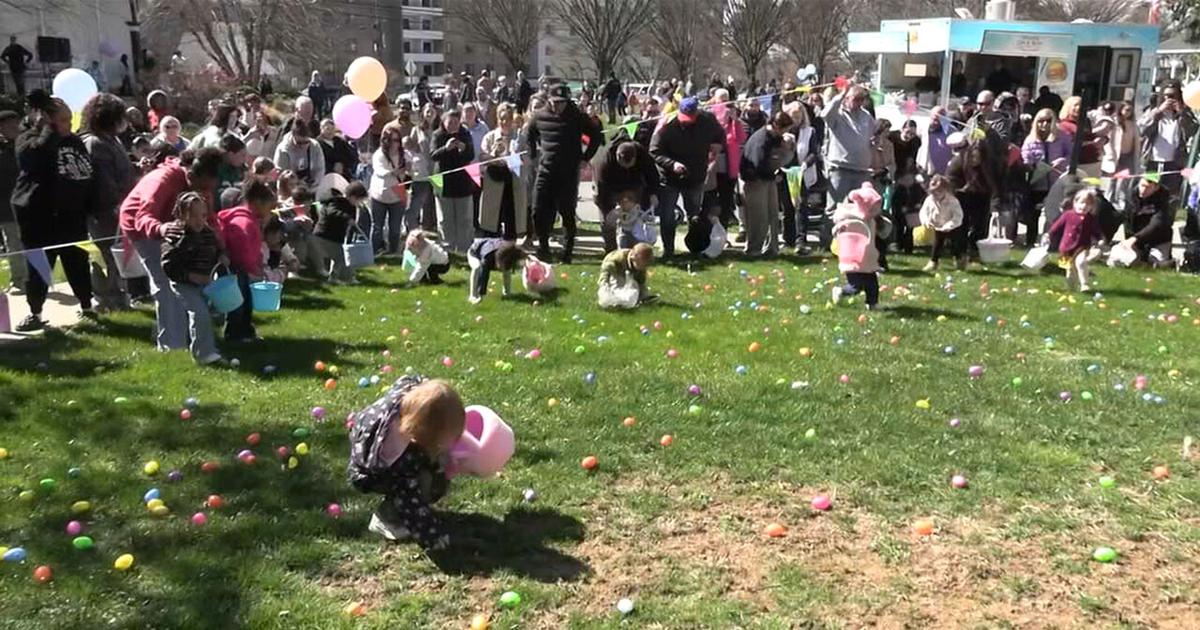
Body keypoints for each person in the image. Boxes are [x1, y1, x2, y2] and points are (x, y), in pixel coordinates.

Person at [119, 147, 224, 351]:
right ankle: (171, 346)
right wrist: (161, 228)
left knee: (187, 279)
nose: (205, 193)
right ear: (191, 175)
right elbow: (143, 217)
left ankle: (177, 330)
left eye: (209, 189)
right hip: (142, 227)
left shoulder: (203, 185)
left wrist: (219, 243)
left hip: (176, 226)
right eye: (202, 187)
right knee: (166, 282)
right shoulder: (161, 181)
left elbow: (209, 217)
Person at [11, 90, 98, 331]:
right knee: (39, 269)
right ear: (46, 120)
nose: (69, 125)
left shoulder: (75, 141)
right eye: (62, 120)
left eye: (70, 120)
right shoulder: (27, 139)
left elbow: (85, 172)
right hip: (39, 219)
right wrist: (49, 131)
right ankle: (35, 313)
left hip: (71, 217)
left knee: (77, 264)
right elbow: (36, 157)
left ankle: (87, 306)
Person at [348, 375, 465, 549]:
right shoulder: (399, 455)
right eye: (442, 440)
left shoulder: (409, 395)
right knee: (420, 484)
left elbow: (412, 380)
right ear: (425, 435)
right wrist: (431, 537)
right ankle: (388, 517)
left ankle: (395, 507)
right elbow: (409, 497)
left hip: (370, 446)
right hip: (369, 474)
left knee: (429, 471)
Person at [525, 84, 603, 263]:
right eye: (556, 102)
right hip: (545, 170)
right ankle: (543, 247)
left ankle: (567, 252)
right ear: (549, 100)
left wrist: (585, 157)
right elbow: (529, 133)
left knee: (567, 212)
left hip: (568, 172)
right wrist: (533, 154)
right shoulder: (540, 116)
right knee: (538, 210)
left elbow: (596, 136)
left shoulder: (577, 117)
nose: (559, 106)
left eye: (562, 102)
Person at [649, 96, 725, 259]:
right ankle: (668, 249)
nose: (688, 121)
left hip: (696, 175)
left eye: (691, 118)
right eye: (685, 118)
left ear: (697, 112)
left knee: (694, 216)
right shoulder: (667, 124)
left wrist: (718, 143)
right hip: (670, 177)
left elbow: (720, 134)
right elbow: (655, 150)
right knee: (668, 215)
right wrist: (672, 164)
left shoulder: (708, 120)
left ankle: (695, 248)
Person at [81, 93, 138, 312]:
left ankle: (119, 295)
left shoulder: (110, 139)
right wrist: (118, 205)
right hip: (105, 210)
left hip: (121, 206)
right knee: (105, 254)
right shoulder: (95, 143)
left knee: (118, 255)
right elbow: (103, 181)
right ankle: (105, 298)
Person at [159, 192, 224, 365]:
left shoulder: (207, 233)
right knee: (199, 314)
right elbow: (168, 266)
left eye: (202, 215)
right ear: (181, 215)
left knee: (210, 314)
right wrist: (191, 276)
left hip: (205, 281)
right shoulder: (176, 237)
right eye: (193, 216)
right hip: (184, 283)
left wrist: (223, 256)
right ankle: (203, 354)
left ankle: (208, 346)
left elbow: (216, 249)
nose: (199, 220)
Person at [217, 180, 276, 342]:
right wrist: (253, 268)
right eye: (268, 207)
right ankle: (235, 334)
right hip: (236, 269)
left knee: (245, 301)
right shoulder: (246, 223)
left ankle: (246, 331)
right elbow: (242, 250)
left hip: (239, 269)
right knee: (238, 304)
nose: (269, 212)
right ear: (257, 202)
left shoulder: (248, 219)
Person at [740, 111, 795, 258]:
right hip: (755, 181)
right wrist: (772, 175)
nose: (786, 133)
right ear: (776, 125)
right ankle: (753, 249)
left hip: (768, 180)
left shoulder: (774, 137)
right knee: (759, 217)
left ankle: (772, 248)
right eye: (785, 129)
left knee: (772, 214)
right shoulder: (761, 139)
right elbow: (757, 165)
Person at [594, 137, 659, 252]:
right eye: (624, 165)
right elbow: (601, 191)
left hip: (633, 185)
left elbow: (652, 175)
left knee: (634, 218)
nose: (627, 167)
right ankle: (611, 251)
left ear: (635, 157)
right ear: (618, 156)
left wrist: (653, 193)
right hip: (610, 187)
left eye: (630, 164)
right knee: (608, 222)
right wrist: (608, 210)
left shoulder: (642, 154)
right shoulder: (604, 161)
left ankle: (634, 250)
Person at [1021, 108, 1072, 248]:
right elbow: (1025, 159)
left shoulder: (1063, 137)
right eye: (1041, 121)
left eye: (1048, 121)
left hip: (1056, 182)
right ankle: (1030, 242)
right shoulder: (1031, 140)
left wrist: (1062, 161)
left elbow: (1071, 155)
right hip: (1037, 182)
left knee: (1054, 214)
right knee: (1033, 215)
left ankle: (1052, 243)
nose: (1044, 124)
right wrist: (1031, 164)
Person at [830, 182, 884, 310]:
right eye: (873, 209)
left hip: (868, 259)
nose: (876, 212)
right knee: (856, 286)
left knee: (872, 284)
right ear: (865, 207)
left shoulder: (871, 219)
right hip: (853, 259)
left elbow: (880, 231)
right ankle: (841, 291)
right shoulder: (851, 220)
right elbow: (838, 230)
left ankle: (872, 303)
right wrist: (840, 229)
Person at [1138, 83, 1198, 198]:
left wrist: (1182, 113)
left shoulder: (1184, 115)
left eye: (1173, 96)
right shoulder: (1153, 112)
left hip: (1174, 164)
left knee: (1170, 196)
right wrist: (1158, 111)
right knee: (1150, 194)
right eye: (1166, 95)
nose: (1169, 99)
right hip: (1152, 163)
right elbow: (1141, 128)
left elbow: (1192, 131)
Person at [478, 103, 527, 239]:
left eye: (508, 119)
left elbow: (526, 158)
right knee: (492, 218)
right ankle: (491, 247)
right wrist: (494, 155)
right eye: (501, 119)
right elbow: (482, 157)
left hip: (513, 182)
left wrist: (514, 157)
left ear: (512, 120)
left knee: (512, 216)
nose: (504, 122)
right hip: (494, 181)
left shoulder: (519, 137)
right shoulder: (490, 137)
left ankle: (510, 248)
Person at [430, 110, 476, 252]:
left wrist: (463, 148)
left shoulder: (465, 134)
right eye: (450, 123)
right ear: (443, 122)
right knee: (445, 218)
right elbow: (433, 155)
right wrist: (446, 148)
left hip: (462, 182)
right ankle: (447, 248)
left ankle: (464, 248)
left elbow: (471, 155)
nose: (453, 125)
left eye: (456, 122)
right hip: (442, 182)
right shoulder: (437, 135)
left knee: (465, 218)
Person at [946, 143, 997, 268]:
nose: (976, 161)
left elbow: (994, 182)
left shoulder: (988, 164)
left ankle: (974, 253)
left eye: (978, 158)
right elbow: (950, 180)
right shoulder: (958, 162)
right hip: (961, 196)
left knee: (980, 226)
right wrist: (960, 189)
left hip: (981, 195)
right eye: (973, 157)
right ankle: (959, 255)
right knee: (960, 226)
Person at [823, 85, 875, 204]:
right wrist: (841, 94)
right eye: (856, 99)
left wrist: (874, 141)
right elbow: (824, 114)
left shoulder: (866, 116)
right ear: (846, 99)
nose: (859, 103)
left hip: (861, 170)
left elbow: (871, 136)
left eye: (862, 99)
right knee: (835, 208)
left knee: (859, 207)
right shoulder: (837, 115)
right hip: (841, 170)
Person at [1047, 188, 1102, 292]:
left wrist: (1100, 239)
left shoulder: (1090, 218)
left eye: (1088, 204)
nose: (1084, 206)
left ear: (1091, 207)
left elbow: (1096, 231)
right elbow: (1056, 227)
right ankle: (1071, 288)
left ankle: (1085, 284)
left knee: (1081, 262)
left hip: (1082, 246)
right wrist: (1048, 235)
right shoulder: (1068, 215)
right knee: (1071, 270)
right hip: (1067, 247)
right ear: (1075, 203)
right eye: (1082, 203)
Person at [312, 181, 365, 284]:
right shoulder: (335, 202)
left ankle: (339, 277)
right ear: (353, 197)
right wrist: (347, 219)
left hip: (336, 238)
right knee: (341, 256)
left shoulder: (352, 207)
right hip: (324, 236)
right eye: (359, 200)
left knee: (341, 256)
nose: (360, 202)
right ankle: (343, 278)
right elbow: (332, 213)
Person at [367, 123, 408, 254]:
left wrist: (411, 169)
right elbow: (379, 170)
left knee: (395, 228)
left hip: (398, 195)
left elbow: (415, 167)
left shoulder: (404, 154)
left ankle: (393, 252)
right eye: (391, 140)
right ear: (385, 141)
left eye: (397, 140)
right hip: (379, 195)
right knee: (377, 226)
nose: (394, 144)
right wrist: (393, 172)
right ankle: (373, 252)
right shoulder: (379, 154)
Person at [1119, 176, 1176, 265]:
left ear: (1156, 188)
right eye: (1142, 185)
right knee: (1129, 260)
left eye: (1148, 187)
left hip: (1159, 238)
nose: (1143, 190)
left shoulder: (1164, 199)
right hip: (1137, 238)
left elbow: (1157, 224)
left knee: (1154, 262)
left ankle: (1170, 262)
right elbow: (1127, 221)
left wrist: (1135, 238)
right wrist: (1129, 240)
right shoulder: (1132, 196)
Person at [0, 110, 25, 293]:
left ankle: (39, 278)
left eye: (17, 124)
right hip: (7, 206)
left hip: (28, 204)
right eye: (10, 126)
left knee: (34, 244)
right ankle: (19, 280)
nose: (15, 128)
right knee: (14, 243)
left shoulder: (26, 145)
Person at [889, 119, 923, 254]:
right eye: (908, 132)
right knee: (897, 212)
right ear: (902, 129)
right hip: (896, 178)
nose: (909, 136)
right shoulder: (893, 138)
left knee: (911, 213)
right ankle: (897, 241)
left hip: (910, 179)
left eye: (913, 134)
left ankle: (908, 244)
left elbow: (913, 161)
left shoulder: (916, 142)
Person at [919, 175, 964, 271]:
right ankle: (933, 262)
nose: (936, 194)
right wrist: (926, 222)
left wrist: (950, 225)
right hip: (938, 225)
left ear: (946, 190)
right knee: (937, 244)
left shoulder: (953, 201)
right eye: (933, 192)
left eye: (939, 191)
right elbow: (924, 212)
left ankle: (959, 260)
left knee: (954, 244)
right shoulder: (929, 200)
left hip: (953, 226)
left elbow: (958, 216)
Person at [406, 104, 439, 233]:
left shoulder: (439, 129)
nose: (430, 113)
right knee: (423, 198)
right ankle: (422, 225)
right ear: (423, 114)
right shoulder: (417, 130)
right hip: (422, 169)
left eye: (432, 111)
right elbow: (410, 149)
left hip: (437, 168)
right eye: (427, 111)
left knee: (436, 196)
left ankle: (434, 224)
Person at [1103, 102, 1140, 210]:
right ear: (1120, 110)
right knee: (1112, 180)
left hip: (1128, 156)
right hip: (1115, 157)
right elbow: (1108, 140)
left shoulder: (1132, 124)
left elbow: (1136, 141)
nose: (1128, 113)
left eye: (1130, 110)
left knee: (1124, 180)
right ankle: (1108, 200)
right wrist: (1109, 154)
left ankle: (1121, 201)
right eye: (1126, 110)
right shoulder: (1114, 123)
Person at [467, 237, 523, 304]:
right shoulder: (487, 257)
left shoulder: (510, 251)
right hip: (474, 253)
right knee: (477, 267)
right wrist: (481, 294)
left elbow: (520, 253)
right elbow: (483, 276)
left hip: (491, 251)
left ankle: (507, 293)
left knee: (507, 270)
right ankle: (472, 296)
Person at [1059, 96, 1104, 178]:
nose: (1079, 107)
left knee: (1093, 189)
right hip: (1079, 165)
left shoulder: (1086, 122)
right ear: (1068, 107)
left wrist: (1103, 139)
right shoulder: (1064, 125)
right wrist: (1091, 143)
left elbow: (1090, 136)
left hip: (1093, 162)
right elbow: (1069, 144)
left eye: (1081, 105)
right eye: (1075, 105)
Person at [273, 119, 325, 190]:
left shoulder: (315, 146)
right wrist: (298, 183)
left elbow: (320, 169)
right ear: (293, 135)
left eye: (306, 142)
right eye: (299, 143)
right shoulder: (283, 149)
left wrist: (314, 183)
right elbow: (281, 174)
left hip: (312, 188)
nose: (303, 146)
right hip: (290, 188)